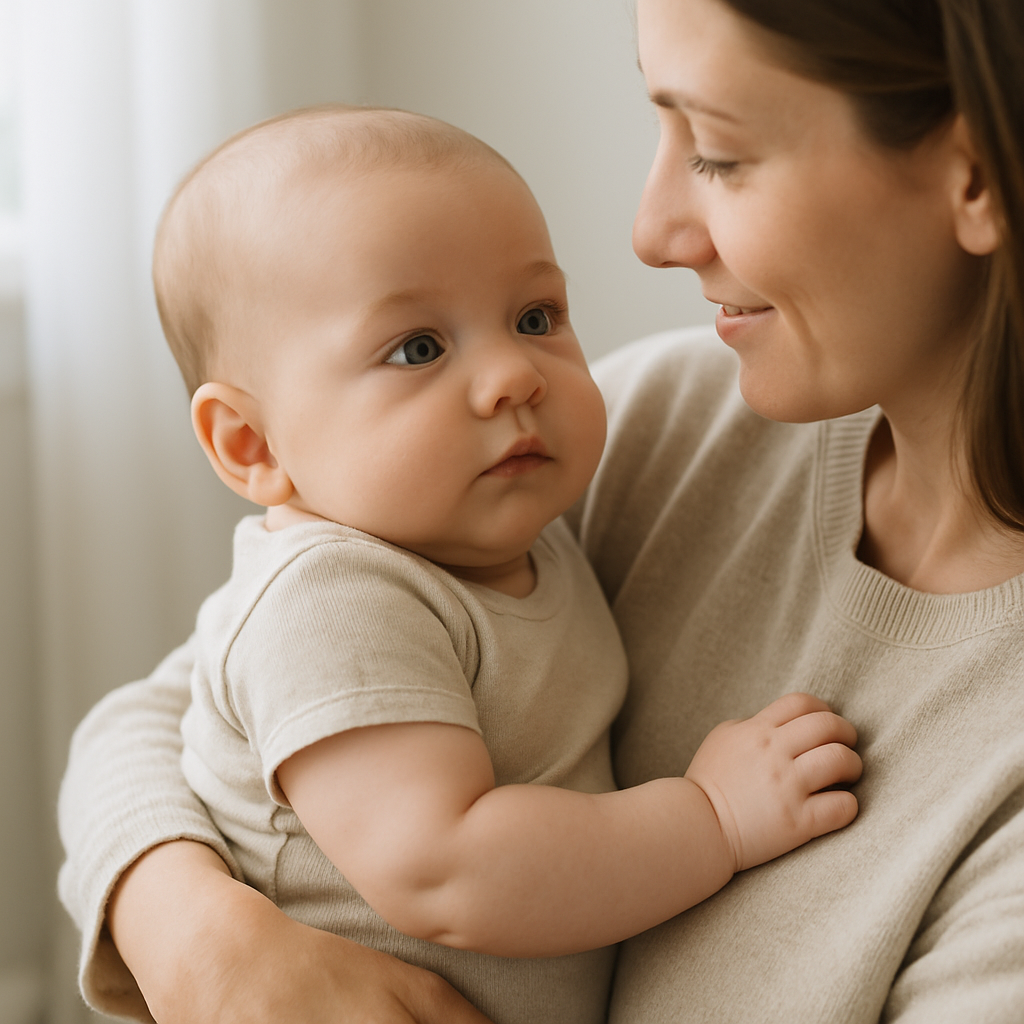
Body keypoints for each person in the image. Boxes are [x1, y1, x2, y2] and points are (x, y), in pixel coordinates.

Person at [58, 0, 1024, 1021]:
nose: (650, 233)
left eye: (720, 152)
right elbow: (165, 715)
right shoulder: (658, 431)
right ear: (248, 444)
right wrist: (200, 938)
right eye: (419, 347)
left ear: (973, 174)